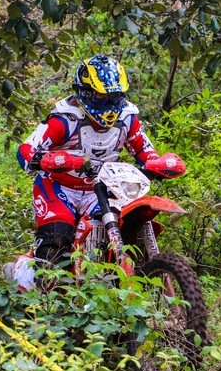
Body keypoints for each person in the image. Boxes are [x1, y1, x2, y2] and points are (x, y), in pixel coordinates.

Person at [13, 55, 164, 285]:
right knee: (57, 239)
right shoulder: (64, 120)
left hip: (100, 189)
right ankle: (34, 285)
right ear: (85, 92)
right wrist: (47, 159)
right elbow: (25, 151)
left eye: (115, 96)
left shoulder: (127, 118)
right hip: (58, 187)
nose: (110, 104)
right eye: (102, 96)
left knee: (120, 230)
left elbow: (143, 148)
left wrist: (156, 162)